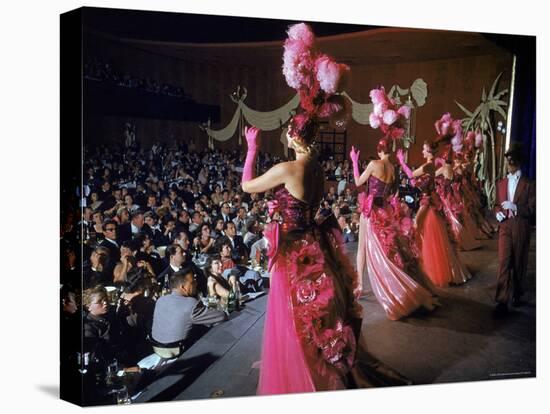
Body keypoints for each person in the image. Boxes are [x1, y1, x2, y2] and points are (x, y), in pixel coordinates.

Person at [350, 138, 437, 320]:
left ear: (379, 150)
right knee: (387, 249)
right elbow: (393, 192)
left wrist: (354, 161)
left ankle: (359, 284)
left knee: (363, 249)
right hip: (384, 210)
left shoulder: (375, 164)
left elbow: (358, 182)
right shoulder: (393, 168)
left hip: (371, 211)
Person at [397, 141, 471, 287]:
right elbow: (417, 181)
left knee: (419, 229)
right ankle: (428, 267)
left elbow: (411, 174)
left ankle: (424, 267)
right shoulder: (430, 167)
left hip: (427, 202)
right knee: (430, 235)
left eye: (424, 150)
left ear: (429, 152)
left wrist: (401, 161)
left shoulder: (428, 166)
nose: (422, 152)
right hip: (429, 201)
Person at [493, 144, 535, 316]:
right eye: (508, 158)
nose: (509, 161)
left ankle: (517, 293)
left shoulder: (530, 184)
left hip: (521, 226)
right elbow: (496, 205)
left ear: (519, 161)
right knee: (504, 263)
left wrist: (515, 207)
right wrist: (497, 214)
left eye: (513, 158)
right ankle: (502, 301)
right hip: (505, 227)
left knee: (518, 263)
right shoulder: (501, 183)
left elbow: (533, 209)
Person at [151, 268, 227, 357]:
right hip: (179, 350)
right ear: (183, 287)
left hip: (157, 347)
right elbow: (221, 315)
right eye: (192, 282)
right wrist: (212, 296)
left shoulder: (161, 300)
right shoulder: (190, 304)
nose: (196, 283)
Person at [434, 146, 482, 251]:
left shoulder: (444, 168)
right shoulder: (452, 168)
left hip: (445, 196)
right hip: (451, 195)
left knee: (451, 218)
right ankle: (461, 240)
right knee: (455, 217)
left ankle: (458, 241)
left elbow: (432, 175)